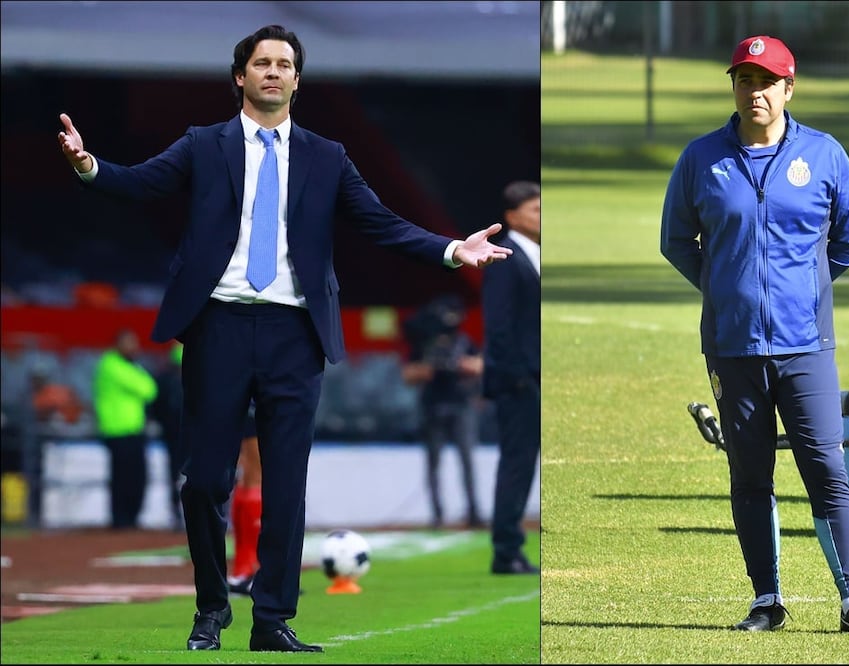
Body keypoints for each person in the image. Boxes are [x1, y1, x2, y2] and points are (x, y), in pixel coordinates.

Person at [57, 24, 511, 653]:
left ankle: (271, 619)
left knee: (286, 482)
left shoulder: (328, 157)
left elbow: (379, 222)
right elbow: (140, 183)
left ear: (298, 80)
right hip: (217, 325)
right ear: (239, 76)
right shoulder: (203, 144)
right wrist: (88, 165)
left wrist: (453, 248)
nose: (273, 71)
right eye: (262, 63)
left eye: (284, 64)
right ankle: (211, 608)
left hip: (295, 332)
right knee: (205, 480)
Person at [659, 36, 849, 635]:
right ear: (734, 87)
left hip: (806, 346)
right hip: (732, 346)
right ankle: (766, 601)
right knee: (750, 474)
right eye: (744, 80)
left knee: (827, 469)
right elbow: (676, 241)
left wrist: (802, 290)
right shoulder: (700, 158)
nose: (756, 92)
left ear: (789, 88)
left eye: (767, 81)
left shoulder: (824, 154)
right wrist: (726, 289)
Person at [481, 180, 540, 575]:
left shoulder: (533, 255)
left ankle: (510, 546)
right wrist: (518, 376)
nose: (543, 217)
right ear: (512, 216)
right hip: (519, 381)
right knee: (517, 463)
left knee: (524, 463)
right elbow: (498, 325)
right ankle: (506, 550)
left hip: (532, 377)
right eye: (536, 210)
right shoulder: (504, 258)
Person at [401, 294, 485, 529]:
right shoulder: (425, 344)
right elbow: (408, 375)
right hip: (433, 406)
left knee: (467, 460)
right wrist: (430, 368)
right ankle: (437, 515)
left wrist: (460, 365)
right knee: (434, 463)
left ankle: (473, 512)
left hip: (461, 405)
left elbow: (480, 366)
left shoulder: (464, 342)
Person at [92, 328, 158, 530]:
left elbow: (150, 389)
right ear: (118, 345)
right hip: (117, 429)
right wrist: (140, 377)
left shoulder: (129, 366)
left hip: (133, 429)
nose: (133, 347)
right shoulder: (110, 364)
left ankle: (131, 519)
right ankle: (120, 520)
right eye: (129, 343)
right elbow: (146, 388)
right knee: (123, 478)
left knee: (136, 476)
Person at [149, 342, 185, 530]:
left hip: (175, 433)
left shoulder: (164, 379)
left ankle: (178, 511)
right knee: (178, 472)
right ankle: (177, 511)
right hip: (180, 434)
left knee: (176, 472)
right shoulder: (199, 378)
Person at [226, 406, 261, 596]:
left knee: (248, 473)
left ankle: (243, 568)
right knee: (256, 472)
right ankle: (251, 568)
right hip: (259, 399)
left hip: (239, 399)